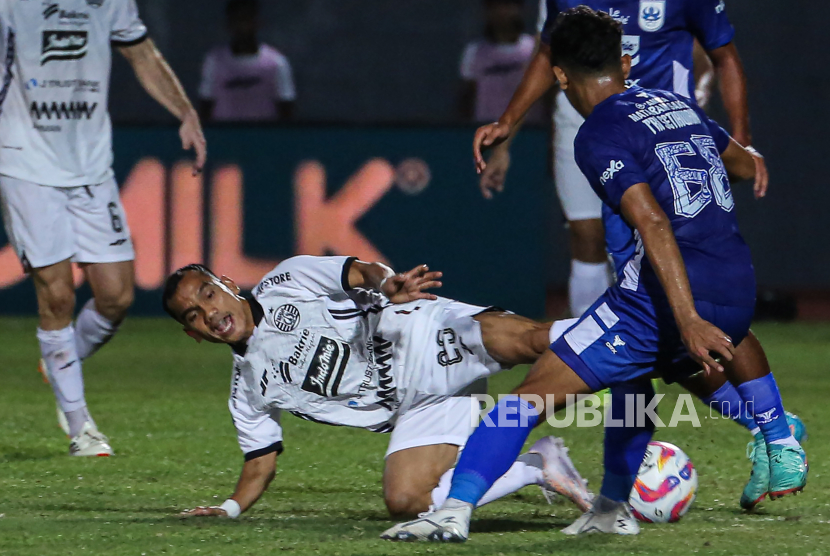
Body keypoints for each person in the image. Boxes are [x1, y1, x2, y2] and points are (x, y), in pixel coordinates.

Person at [384, 8, 806, 542]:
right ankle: (615, 507)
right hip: (738, 285)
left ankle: (452, 511)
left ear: (560, 77)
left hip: (663, 300)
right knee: (632, 390)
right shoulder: (677, 104)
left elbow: (650, 221)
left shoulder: (598, 133)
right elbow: (745, 165)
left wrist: (687, 318)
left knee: (524, 400)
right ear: (627, 62)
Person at [162, 257, 594, 519]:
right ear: (193, 335)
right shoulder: (247, 390)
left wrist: (389, 285)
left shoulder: (285, 281)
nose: (208, 312)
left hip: (420, 336)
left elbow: (362, 271)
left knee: (534, 340)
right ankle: (540, 467)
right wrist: (230, 507)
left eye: (208, 294)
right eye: (193, 315)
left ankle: (630, 336)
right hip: (416, 406)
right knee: (407, 501)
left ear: (228, 284)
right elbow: (260, 462)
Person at [0, 0, 206, 456]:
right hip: (26, 163)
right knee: (56, 296)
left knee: (116, 297)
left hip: (92, 168)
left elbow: (141, 52)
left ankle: (60, 362)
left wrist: (185, 112)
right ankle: (81, 429)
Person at [474, 0, 762, 318]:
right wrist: (508, 122)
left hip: (663, 126)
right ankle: (595, 340)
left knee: (670, 235)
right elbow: (547, 53)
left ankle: (677, 332)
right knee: (592, 234)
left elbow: (721, 55)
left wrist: (742, 140)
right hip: (587, 122)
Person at [199, 0, 296, 123]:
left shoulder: (276, 63)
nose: (243, 26)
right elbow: (205, 106)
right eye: (238, 20)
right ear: (229, 24)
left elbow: (286, 110)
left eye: (247, 19)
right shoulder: (214, 61)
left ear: (257, 22)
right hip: (224, 139)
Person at [459, 0, 545, 125]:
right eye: (496, 6)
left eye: (508, 5)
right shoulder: (474, 52)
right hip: (486, 132)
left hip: (529, 133)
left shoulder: (534, 50)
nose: (502, 12)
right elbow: (466, 99)